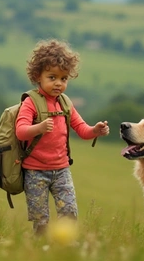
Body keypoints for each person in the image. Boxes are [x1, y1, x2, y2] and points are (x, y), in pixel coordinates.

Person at [15, 39, 110, 235]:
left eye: (64, 78)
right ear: (37, 76)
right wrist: (38, 128)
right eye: (52, 77)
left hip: (61, 170)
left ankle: (66, 246)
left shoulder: (65, 103)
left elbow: (82, 130)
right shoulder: (31, 102)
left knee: (69, 212)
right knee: (40, 219)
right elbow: (21, 130)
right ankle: (41, 248)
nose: (59, 83)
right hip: (35, 171)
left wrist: (96, 130)